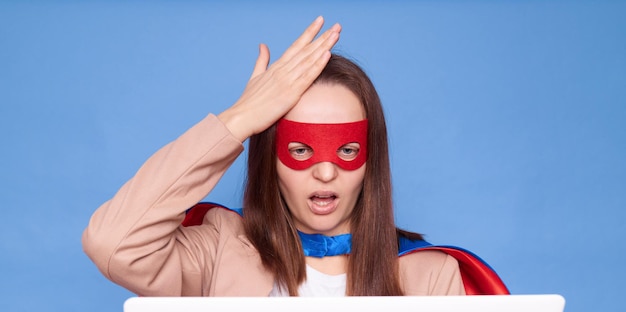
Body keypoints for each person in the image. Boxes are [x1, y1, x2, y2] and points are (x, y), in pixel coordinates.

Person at [82, 17, 504, 297]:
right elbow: (114, 245)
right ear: (272, 161)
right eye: (301, 149)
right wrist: (237, 121)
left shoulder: (429, 275)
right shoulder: (218, 251)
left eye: (347, 150)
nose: (325, 171)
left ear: (371, 158)